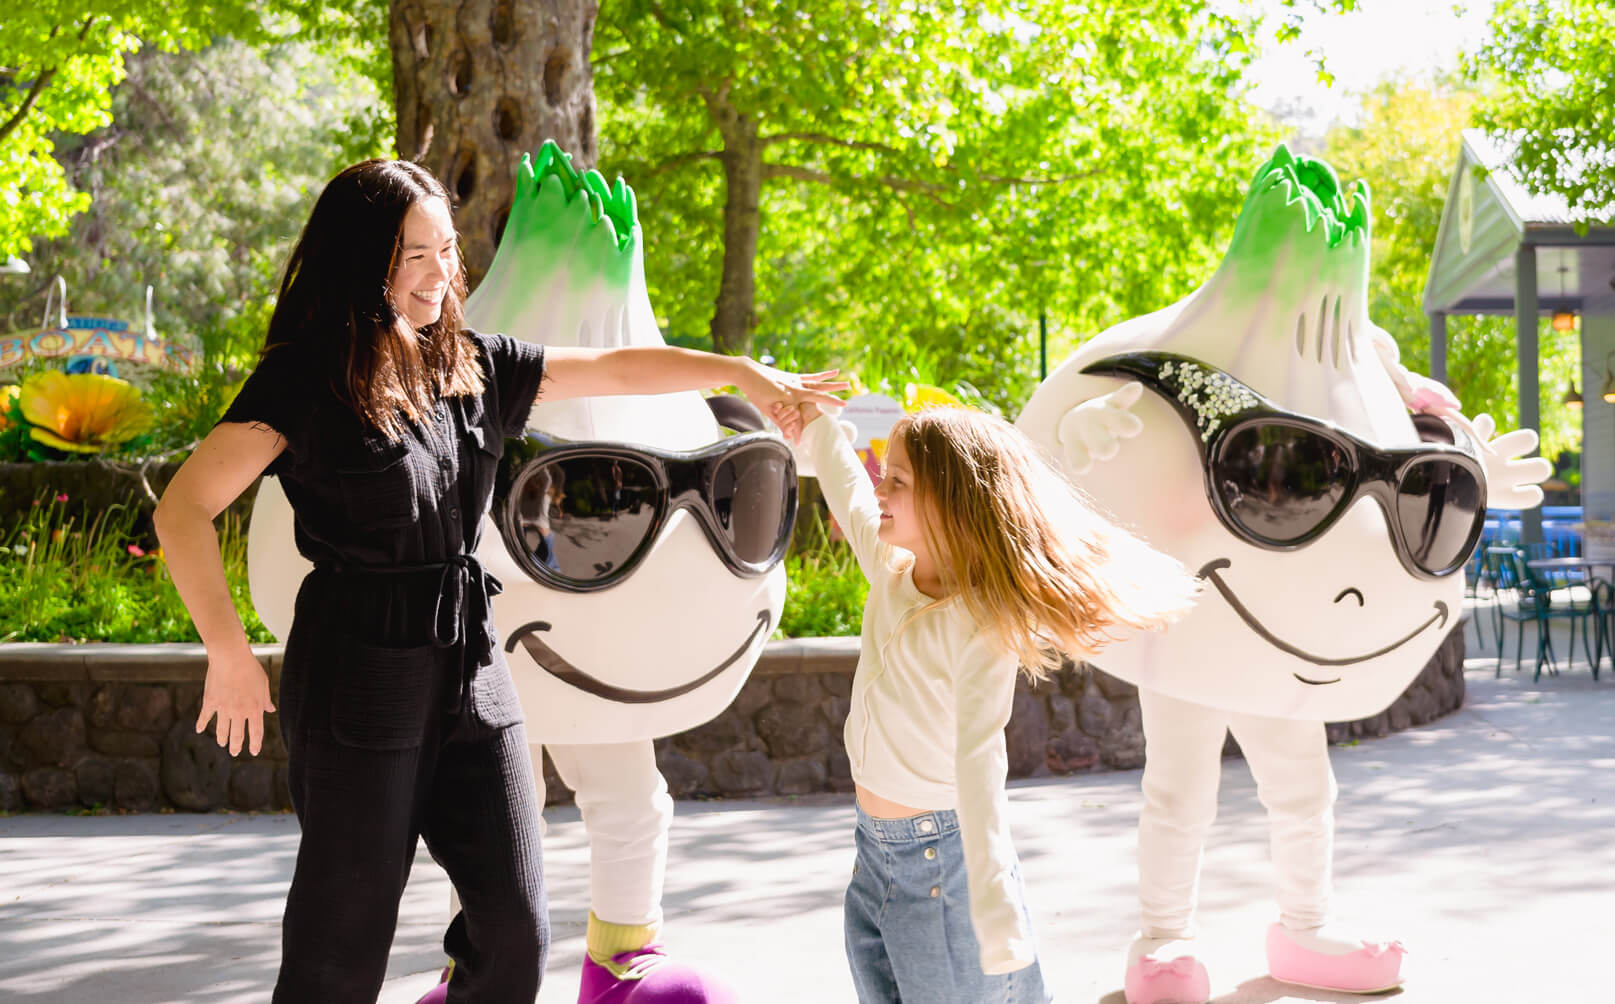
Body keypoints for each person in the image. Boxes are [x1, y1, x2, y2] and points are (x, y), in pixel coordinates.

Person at [153, 157, 844, 1003]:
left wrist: (739, 373)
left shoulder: (471, 366)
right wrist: (228, 652)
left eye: (447, 250)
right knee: (345, 935)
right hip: (358, 667)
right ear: (359, 259)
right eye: (414, 254)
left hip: (474, 662)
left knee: (514, 928)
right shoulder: (306, 378)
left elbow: (615, 367)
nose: (440, 273)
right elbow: (183, 510)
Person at [771, 401, 1199, 1004]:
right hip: (874, 855)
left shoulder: (979, 624)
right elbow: (846, 489)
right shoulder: (893, 569)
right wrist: (815, 425)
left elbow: (978, 760)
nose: (880, 487)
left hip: (942, 865)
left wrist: (993, 900)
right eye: (885, 474)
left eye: (899, 480)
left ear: (950, 501)